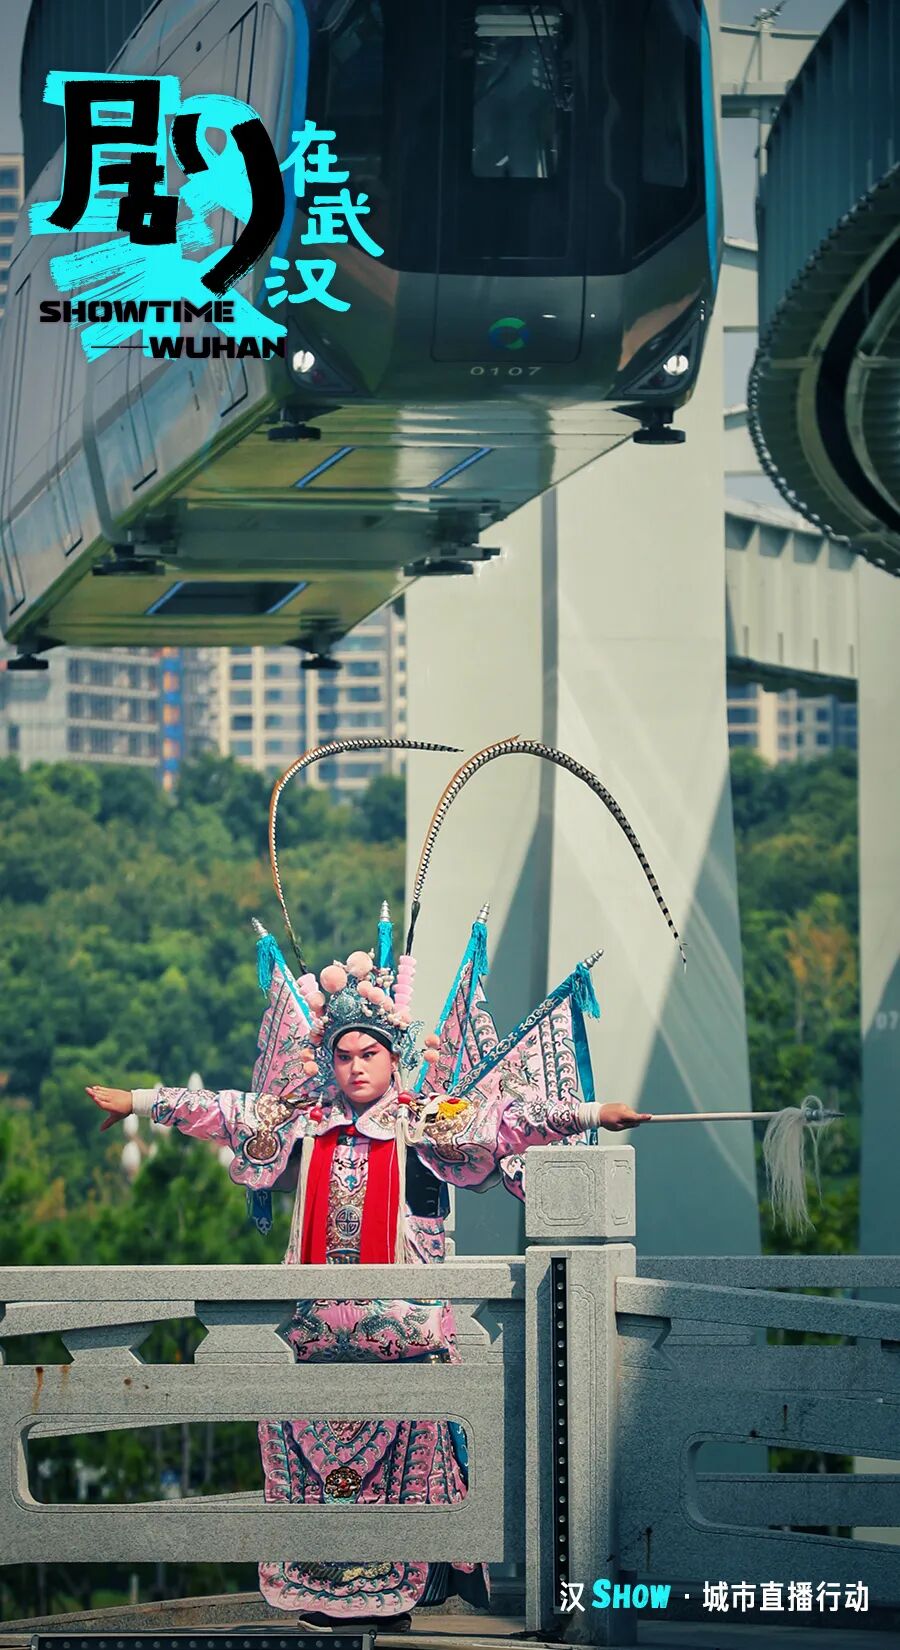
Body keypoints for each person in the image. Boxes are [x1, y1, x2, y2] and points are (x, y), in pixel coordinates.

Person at [87, 734, 682, 1626]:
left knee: (403, 1474)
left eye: (370, 1053)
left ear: (393, 1058)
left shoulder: (425, 1118)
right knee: (309, 1470)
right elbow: (221, 1109)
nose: (356, 1066)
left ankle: (399, 1590)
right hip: (311, 1333)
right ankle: (324, 1595)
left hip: (404, 1331)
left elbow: (510, 1119)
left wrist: (595, 1112)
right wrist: (138, 1099)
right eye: (344, 1053)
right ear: (328, 1057)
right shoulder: (301, 1116)